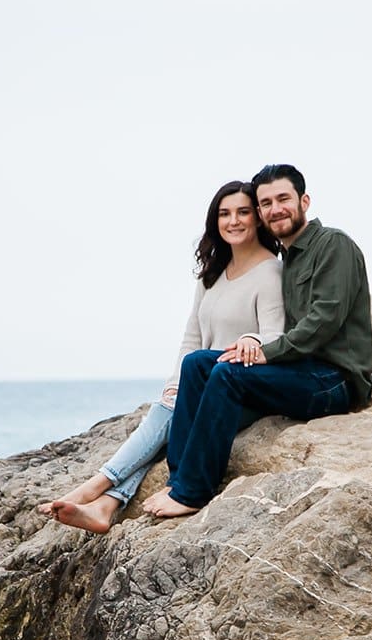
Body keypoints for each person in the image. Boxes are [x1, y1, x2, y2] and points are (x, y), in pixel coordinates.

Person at [40, 181, 285, 533]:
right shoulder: (212, 275)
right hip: (199, 384)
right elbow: (192, 337)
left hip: (235, 392)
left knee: (166, 417)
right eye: (224, 213)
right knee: (169, 412)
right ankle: (105, 507)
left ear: (258, 219)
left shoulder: (270, 272)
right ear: (214, 221)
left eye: (243, 212)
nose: (234, 221)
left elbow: (275, 336)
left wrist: (250, 338)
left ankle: (96, 487)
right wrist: (175, 385)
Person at [142, 163, 372, 518]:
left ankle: (193, 492)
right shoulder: (288, 258)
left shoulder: (333, 245)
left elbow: (323, 321)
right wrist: (252, 342)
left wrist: (265, 352)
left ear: (304, 201)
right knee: (199, 363)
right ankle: (179, 478)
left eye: (283, 198)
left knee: (228, 374)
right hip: (300, 371)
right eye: (266, 203)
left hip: (333, 380)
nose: (274, 208)